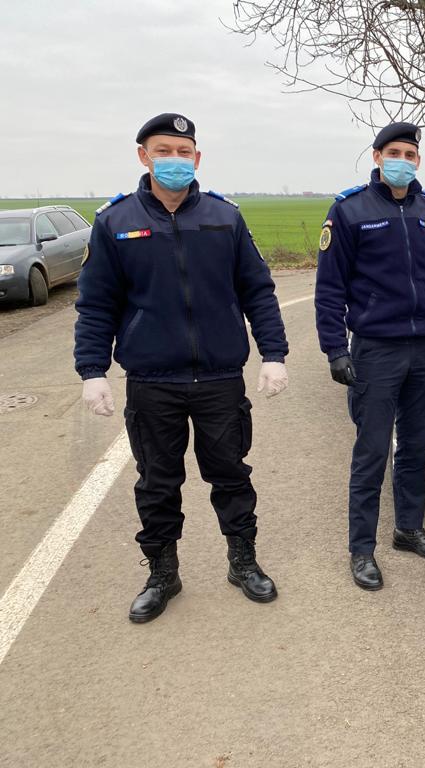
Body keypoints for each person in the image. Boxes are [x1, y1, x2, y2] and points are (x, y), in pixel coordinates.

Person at [74, 113, 289, 623]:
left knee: (231, 475)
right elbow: (97, 303)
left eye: (184, 151)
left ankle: (242, 561)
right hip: (153, 382)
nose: (175, 160)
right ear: (144, 156)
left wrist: (274, 354)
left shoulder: (224, 217)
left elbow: (257, 290)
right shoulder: (115, 222)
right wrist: (92, 369)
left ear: (197, 157)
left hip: (219, 379)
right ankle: (162, 573)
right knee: (157, 483)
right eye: (164, 151)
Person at [315, 121, 425, 591]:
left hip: (423, 350)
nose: (402, 161)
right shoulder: (349, 211)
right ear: (377, 157)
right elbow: (330, 289)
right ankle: (362, 549)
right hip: (375, 351)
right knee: (372, 452)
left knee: (415, 448)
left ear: (418, 160)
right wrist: (334, 349)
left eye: (410, 154)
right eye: (394, 153)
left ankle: (408, 529)